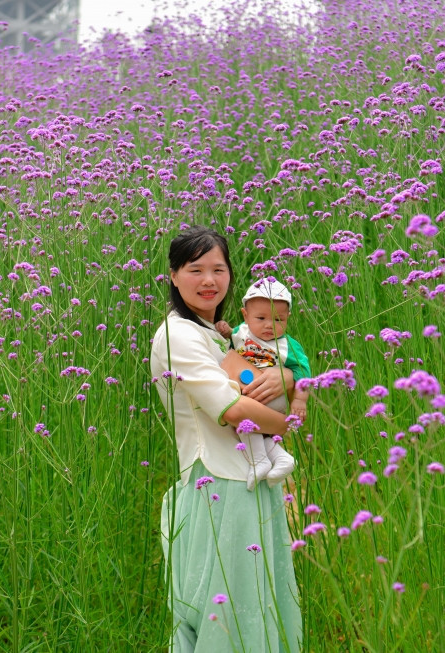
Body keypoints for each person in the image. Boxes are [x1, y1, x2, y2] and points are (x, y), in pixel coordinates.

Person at [151, 226, 301, 653]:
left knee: (255, 603)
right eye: (195, 269)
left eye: (219, 269)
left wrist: (286, 376)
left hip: (247, 483)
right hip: (217, 485)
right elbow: (235, 410)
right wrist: (283, 423)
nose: (209, 280)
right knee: (225, 613)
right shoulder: (177, 336)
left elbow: (265, 387)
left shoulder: (219, 336)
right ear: (174, 276)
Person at [215, 279, 311, 489]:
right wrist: (225, 331)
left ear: (288, 318)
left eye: (279, 319)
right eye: (261, 318)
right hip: (251, 390)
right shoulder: (242, 331)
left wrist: (300, 401)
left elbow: (303, 372)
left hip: (273, 396)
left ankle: (259, 461)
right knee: (253, 426)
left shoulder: (288, 345)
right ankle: (281, 458)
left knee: (245, 421)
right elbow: (232, 341)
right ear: (245, 315)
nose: (270, 325)